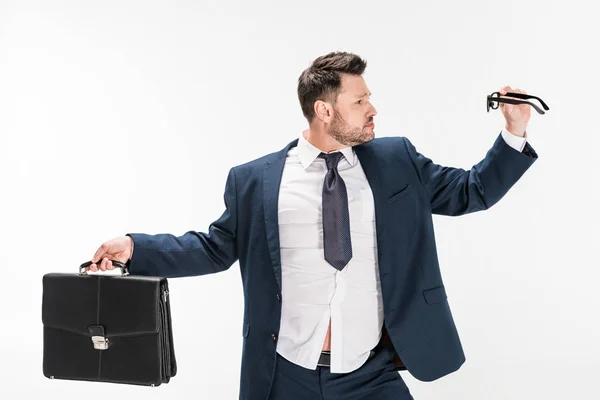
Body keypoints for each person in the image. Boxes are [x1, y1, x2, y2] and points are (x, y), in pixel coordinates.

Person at [87, 51, 538, 400]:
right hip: (285, 374)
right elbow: (214, 248)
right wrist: (135, 247)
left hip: (369, 371)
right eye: (359, 100)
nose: (372, 108)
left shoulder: (396, 161)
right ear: (324, 111)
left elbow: (470, 191)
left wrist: (514, 131)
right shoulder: (255, 180)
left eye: (369, 98)